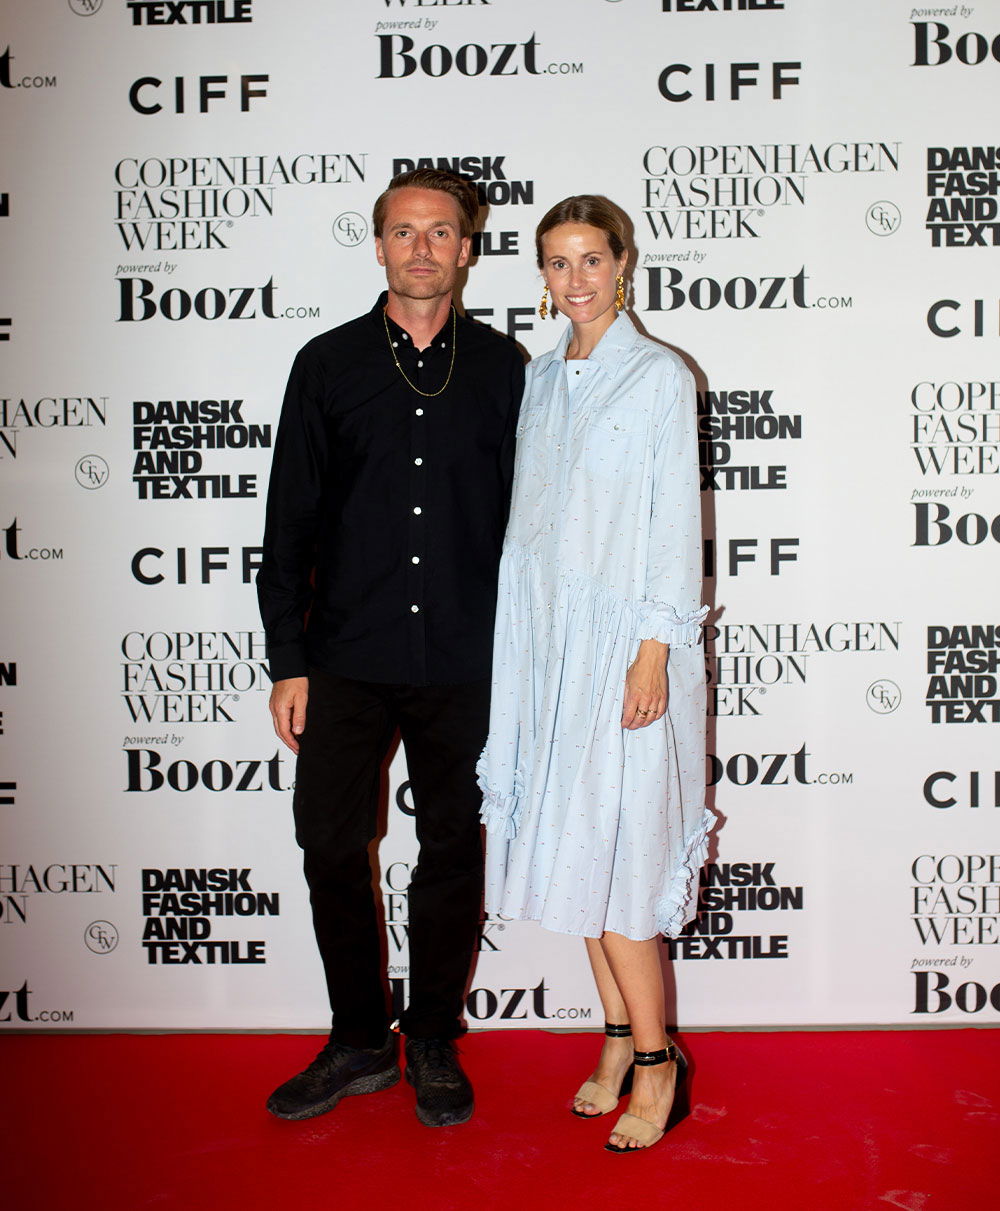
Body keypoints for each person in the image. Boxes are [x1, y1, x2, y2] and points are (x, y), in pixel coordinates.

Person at [257, 169, 524, 1128]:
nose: (421, 248)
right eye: (404, 231)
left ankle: (435, 1037)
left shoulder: (503, 369)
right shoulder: (326, 363)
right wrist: (288, 659)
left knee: (451, 846)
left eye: (440, 231)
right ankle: (360, 1038)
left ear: (467, 249)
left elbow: (532, 525)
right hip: (344, 656)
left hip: (464, 658)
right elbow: (288, 522)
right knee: (330, 842)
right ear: (377, 247)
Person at [477, 196, 709, 1153]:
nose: (575, 278)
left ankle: (658, 1064)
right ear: (542, 276)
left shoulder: (658, 377)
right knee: (578, 851)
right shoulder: (537, 378)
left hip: (624, 646)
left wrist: (653, 649)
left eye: (591, 259)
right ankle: (616, 1039)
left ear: (623, 265)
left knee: (619, 866)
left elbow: (672, 521)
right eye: (557, 262)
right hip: (545, 646)